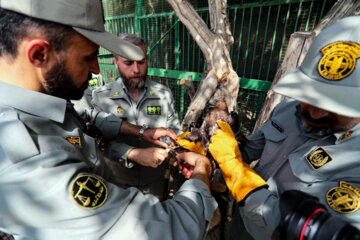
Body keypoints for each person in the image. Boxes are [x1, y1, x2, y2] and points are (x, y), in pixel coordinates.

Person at [0, 1, 217, 239]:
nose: (95, 69)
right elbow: (168, 229)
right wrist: (202, 174)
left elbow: (85, 118)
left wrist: (142, 132)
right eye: (88, 57)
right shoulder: (26, 159)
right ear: (40, 54)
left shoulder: (46, 106)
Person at [201, 15, 360, 240]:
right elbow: (249, 150)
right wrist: (216, 146)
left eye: (333, 105)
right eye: (310, 97)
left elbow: (303, 231)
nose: (315, 112)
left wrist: (236, 172)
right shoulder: (287, 109)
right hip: (243, 220)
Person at [91, 33, 182, 200]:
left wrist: (171, 148)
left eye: (141, 62)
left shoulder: (163, 94)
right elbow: (98, 143)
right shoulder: (101, 97)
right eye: (128, 63)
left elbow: (175, 130)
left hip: (155, 181)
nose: (136, 70)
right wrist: (133, 153)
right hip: (117, 182)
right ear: (116, 62)